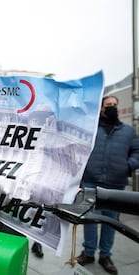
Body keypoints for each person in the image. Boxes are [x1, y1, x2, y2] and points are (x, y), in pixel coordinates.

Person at [76, 95, 139, 275]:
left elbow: (137, 150)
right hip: (91, 182)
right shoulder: (91, 129)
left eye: (114, 105)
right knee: (89, 220)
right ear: (101, 108)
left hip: (116, 184)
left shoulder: (128, 131)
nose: (111, 107)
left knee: (111, 222)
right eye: (108, 105)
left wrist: (128, 166)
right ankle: (88, 253)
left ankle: (105, 255)